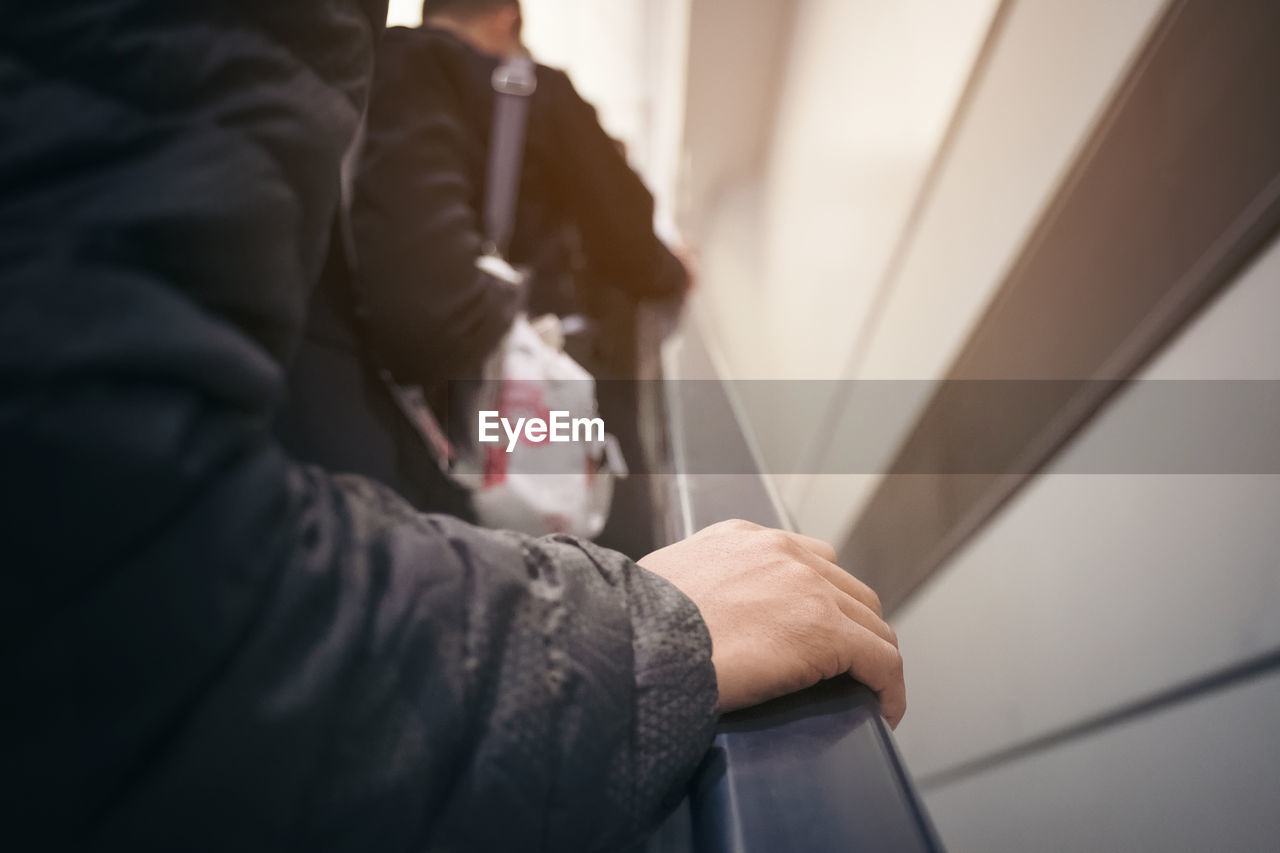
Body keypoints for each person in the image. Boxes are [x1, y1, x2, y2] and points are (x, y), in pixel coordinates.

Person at [0, 1, 905, 851]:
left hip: (356, 479)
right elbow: (591, 253)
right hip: (430, 502)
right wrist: (647, 630)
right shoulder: (516, 89)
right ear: (510, 22)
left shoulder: (342, 85)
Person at [276, 0, 690, 528]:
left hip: (368, 419)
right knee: (591, 529)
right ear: (505, 18)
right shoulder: (540, 91)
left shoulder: (360, 73)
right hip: (522, 381)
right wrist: (673, 271)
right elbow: (627, 235)